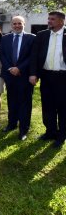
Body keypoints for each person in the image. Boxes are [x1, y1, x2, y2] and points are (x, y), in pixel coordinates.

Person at [29, 11, 66, 149]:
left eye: (52, 19)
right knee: (48, 106)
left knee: (62, 108)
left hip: (63, 77)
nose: (49, 21)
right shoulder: (42, 35)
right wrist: (33, 74)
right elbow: (34, 56)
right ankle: (50, 132)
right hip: (46, 76)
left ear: (61, 21)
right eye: (48, 18)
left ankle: (61, 136)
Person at [0, 16, 35, 141]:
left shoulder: (31, 38)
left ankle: (23, 129)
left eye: (19, 23)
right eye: (14, 24)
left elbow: (32, 57)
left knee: (25, 103)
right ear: (11, 25)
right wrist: (10, 68)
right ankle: (11, 124)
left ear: (24, 24)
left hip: (24, 76)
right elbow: (2, 55)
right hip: (10, 76)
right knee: (11, 101)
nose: (17, 26)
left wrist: (19, 68)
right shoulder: (5, 39)